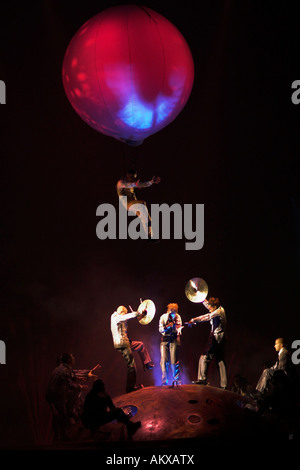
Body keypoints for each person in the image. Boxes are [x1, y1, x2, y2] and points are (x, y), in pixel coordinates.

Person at [46, 353, 101, 440]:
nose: (74, 359)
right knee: (62, 416)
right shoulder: (64, 370)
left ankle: (62, 436)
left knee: (60, 416)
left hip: (54, 395)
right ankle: (63, 438)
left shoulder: (62, 369)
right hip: (56, 396)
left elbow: (75, 374)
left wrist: (89, 372)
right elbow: (70, 382)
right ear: (68, 360)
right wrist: (81, 387)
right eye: (72, 358)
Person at [111, 305, 154, 393]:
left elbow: (130, 318)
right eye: (125, 313)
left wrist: (141, 316)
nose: (125, 315)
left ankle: (146, 364)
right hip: (122, 343)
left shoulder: (120, 318)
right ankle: (130, 388)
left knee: (140, 345)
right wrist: (137, 313)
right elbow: (127, 316)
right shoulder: (116, 317)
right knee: (131, 365)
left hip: (126, 342)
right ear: (122, 312)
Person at [189, 297, 227, 389]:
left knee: (204, 357)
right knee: (220, 360)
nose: (209, 308)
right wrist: (202, 298)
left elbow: (206, 317)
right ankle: (224, 385)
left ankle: (202, 379)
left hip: (215, 338)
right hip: (221, 338)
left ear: (214, 306)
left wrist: (194, 320)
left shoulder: (218, 312)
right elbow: (208, 307)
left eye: (210, 306)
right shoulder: (219, 309)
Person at [116, 169, 160, 239]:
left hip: (134, 204)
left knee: (144, 217)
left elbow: (141, 184)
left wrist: (151, 182)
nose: (133, 179)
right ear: (128, 176)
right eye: (132, 177)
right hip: (128, 204)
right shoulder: (121, 182)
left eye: (134, 178)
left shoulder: (133, 183)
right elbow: (128, 185)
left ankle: (149, 236)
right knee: (143, 203)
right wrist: (135, 184)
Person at [159, 303, 183, 386]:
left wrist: (174, 327)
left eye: (175, 311)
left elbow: (179, 328)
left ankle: (177, 380)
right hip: (164, 340)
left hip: (173, 339)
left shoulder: (178, 317)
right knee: (164, 361)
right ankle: (164, 380)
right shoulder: (163, 317)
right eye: (171, 311)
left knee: (173, 361)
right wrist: (167, 327)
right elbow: (160, 329)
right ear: (168, 311)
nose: (173, 313)